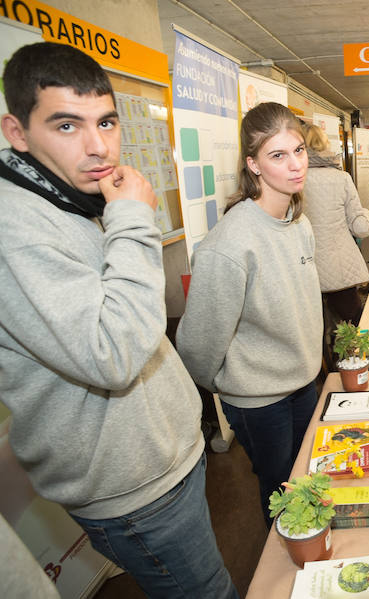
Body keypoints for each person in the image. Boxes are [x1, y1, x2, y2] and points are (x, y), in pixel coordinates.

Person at [0, 42, 236, 598]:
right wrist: (133, 218)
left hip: (160, 460)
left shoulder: (67, 197)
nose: (97, 146)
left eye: (106, 121)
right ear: (17, 132)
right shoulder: (16, 230)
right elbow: (114, 353)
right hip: (132, 486)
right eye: (66, 125)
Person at [176, 102, 323, 527]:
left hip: (303, 382)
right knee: (280, 493)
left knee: (307, 480)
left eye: (298, 150)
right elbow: (197, 345)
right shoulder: (231, 243)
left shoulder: (299, 221)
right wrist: (236, 384)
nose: (295, 165)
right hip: (260, 402)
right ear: (253, 164)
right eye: (278, 156)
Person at [301, 122, 369, 325]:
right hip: (339, 268)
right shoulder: (341, 178)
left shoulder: (293, 180)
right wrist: (366, 213)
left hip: (306, 269)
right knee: (356, 323)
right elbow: (361, 228)